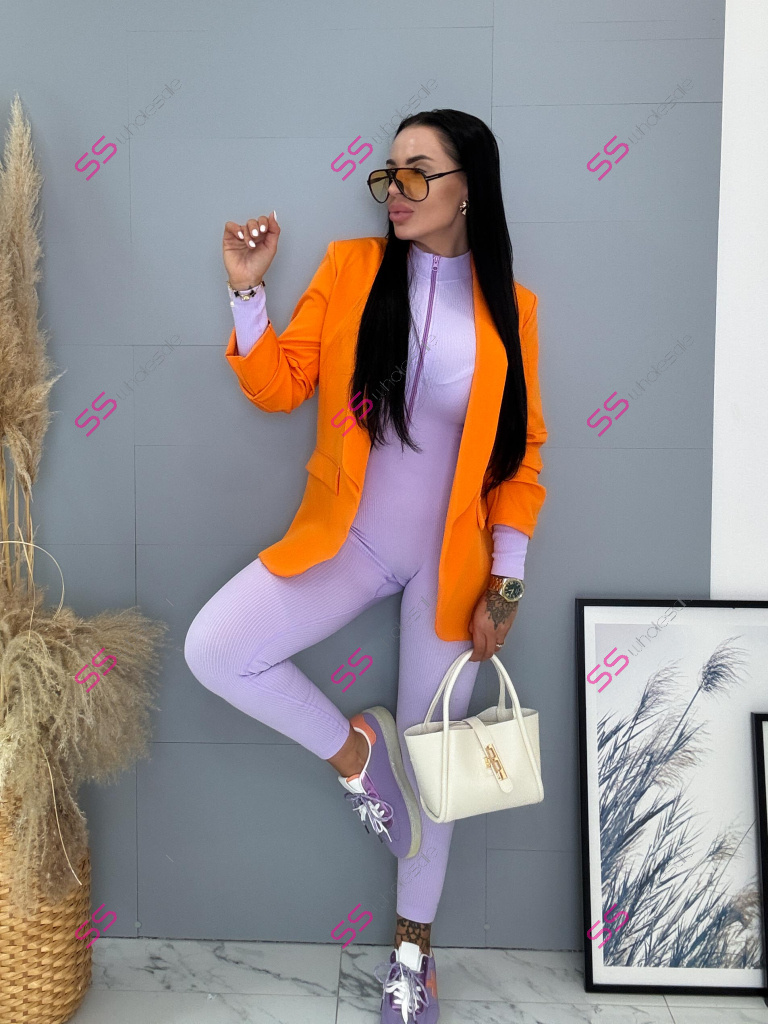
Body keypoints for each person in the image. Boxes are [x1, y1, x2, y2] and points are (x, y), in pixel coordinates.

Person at [184, 107, 548, 1024]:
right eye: (389, 174)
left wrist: (506, 583)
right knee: (216, 649)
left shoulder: (513, 311)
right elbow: (280, 387)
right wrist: (246, 294)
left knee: (439, 769)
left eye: (418, 172)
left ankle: (414, 958)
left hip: (450, 568)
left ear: (468, 187)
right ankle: (357, 756)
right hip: (347, 541)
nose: (396, 190)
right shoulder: (351, 268)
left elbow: (522, 458)